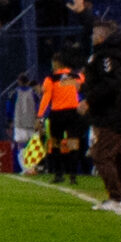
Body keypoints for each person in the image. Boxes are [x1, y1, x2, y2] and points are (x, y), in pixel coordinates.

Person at [80, 19, 121, 215]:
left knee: (101, 155)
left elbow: (111, 83)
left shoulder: (106, 56)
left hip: (114, 115)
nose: (92, 37)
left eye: (95, 34)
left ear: (101, 37)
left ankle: (117, 198)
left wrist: (88, 100)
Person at [37, 56, 86, 187]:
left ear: (56, 64)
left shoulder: (51, 79)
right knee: (73, 144)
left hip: (57, 114)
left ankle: (59, 174)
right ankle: (73, 176)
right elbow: (83, 82)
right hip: (73, 114)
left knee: (56, 145)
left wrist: (40, 116)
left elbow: (46, 98)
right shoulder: (75, 76)